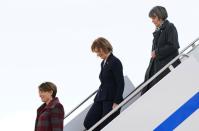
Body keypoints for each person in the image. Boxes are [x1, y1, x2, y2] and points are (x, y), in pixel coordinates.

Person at [84, 37, 124, 131]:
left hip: (110, 99)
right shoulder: (103, 63)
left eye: (98, 51)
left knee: (105, 124)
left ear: (103, 47)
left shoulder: (115, 62)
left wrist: (117, 101)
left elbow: (120, 83)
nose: (97, 55)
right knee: (89, 122)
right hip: (100, 98)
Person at [142, 6, 180, 95]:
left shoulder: (170, 27)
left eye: (154, 18)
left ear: (160, 16)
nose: (152, 21)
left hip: (166, 71)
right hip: (157, 71)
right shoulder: (158, 31)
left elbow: (174, 45)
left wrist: (157, 52)